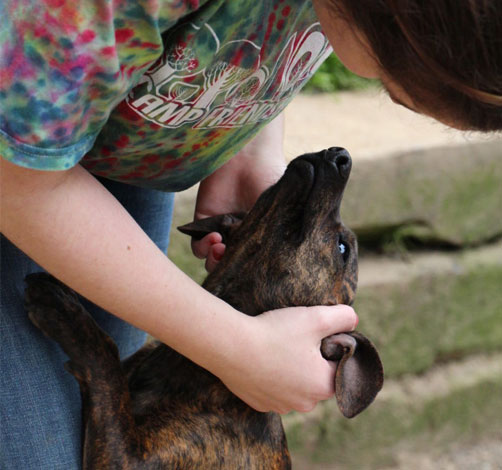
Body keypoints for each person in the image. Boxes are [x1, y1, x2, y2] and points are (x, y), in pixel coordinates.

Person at [1, 0, 500, 467]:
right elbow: (13, 167)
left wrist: (243, 141)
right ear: (404, 22)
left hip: (125, 160)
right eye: (399, 88)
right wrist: (239, 348)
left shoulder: (358, 14)